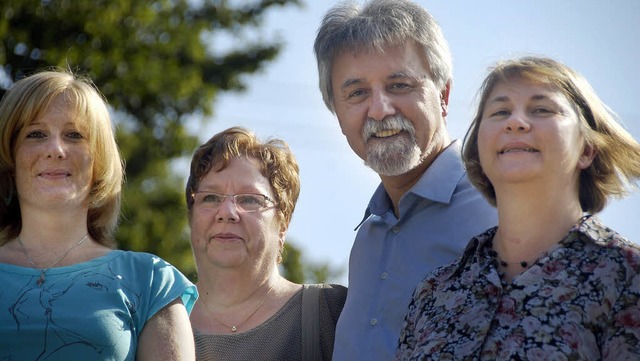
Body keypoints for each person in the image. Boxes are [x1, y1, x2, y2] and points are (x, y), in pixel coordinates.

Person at [396, 56, 640, 360]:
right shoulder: (433, 292)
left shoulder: (627, 276)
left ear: (587, 149)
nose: (515, 122)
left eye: (541, 109)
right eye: (500, 111)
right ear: (479, 150)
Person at [313, 0, 497, 358]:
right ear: (336, 112)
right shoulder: (369, 236)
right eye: (356, 93)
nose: (380, 109)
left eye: (399, 85)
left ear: (443, 95)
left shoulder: (498, 210)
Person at [0, 70, 198, 360]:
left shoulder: (152, 282)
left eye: (74, 135)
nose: (55, 149)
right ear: (9, 156)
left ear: (99, 159)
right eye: (35, 134)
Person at [186, 126, 347, 360]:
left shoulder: (331, 313)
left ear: (283, 223)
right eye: (210, 197)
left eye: (249, 199)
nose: (227, 212)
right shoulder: (150, 320)